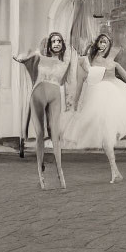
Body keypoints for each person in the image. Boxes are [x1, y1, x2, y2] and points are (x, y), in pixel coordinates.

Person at [65, 33, 126, 184]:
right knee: (105, 137)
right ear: (97, 43)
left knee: (108, 137)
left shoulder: (113, 64)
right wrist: (76, 103)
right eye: (101, 42)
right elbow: (81, 82)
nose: (103, 45)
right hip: (95, 100)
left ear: (109, 46)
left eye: (106, 43)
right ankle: (115, 171)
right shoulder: (88, 61)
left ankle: (115, 171)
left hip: (112, 100)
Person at [13, 32, 75, 190]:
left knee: (56, 134)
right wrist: (21, 58)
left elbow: (70, 58)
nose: (56, 43)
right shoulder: (39, 56)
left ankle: (60, 171)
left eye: (59, 41)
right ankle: (40, 171)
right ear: (48, 44)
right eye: (53, 41)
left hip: (55, 97)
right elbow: (24, 57)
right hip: (38, 95)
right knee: (40, 134)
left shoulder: (65, 61)